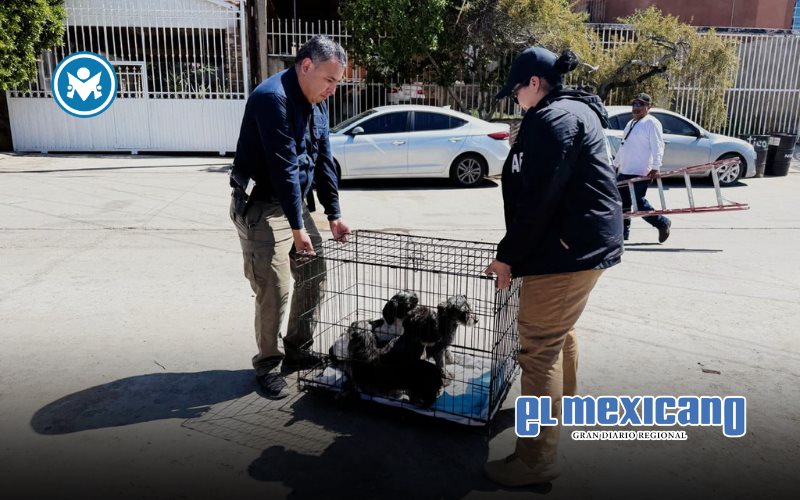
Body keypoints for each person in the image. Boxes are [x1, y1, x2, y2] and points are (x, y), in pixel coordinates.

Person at [483, 47, 624, 486]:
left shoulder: (555, 119)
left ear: (535, 84)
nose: (515, 99)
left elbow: (540, 197)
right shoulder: (563, 113)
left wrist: (508, 255)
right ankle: (562, 411)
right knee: (558, 334)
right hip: (574, 245)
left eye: (516, 91)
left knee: (538, 347)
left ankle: (535, 460)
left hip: (566, 250)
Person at [229, 35, 350, 399]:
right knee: (275, 287)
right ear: (307, 66)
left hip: (293, 202)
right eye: (329, 80)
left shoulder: (317, 101)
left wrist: (334, 214)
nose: (332, 89)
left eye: (337, 83)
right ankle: (267, 364)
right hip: (262, 205)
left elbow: (324, 160)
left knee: (315, 272)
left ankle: (298, 348)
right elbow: (284, 169)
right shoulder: (272, 99)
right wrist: (298, 230)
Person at [614, 93, 671, 242]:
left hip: (640, 171)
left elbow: (658, 146)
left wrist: (656, 166)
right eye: (634, 104)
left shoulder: (651, 122)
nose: (636, 108)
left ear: (649, 107)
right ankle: (622, 235)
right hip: (625, 170)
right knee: (622, 204)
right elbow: (623, 146)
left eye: (640, 105)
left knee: (639, 204)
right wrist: (615, 165)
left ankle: (662, 223)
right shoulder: (631, 123)